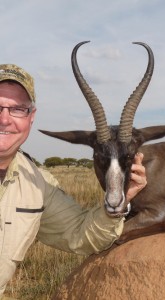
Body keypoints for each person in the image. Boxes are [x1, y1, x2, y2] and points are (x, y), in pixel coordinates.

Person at [0, 64, 147, 298]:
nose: (5, 119)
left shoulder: (37, 184)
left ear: (31, 117)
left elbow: (80, 234)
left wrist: (119, 204)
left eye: (17, 109)